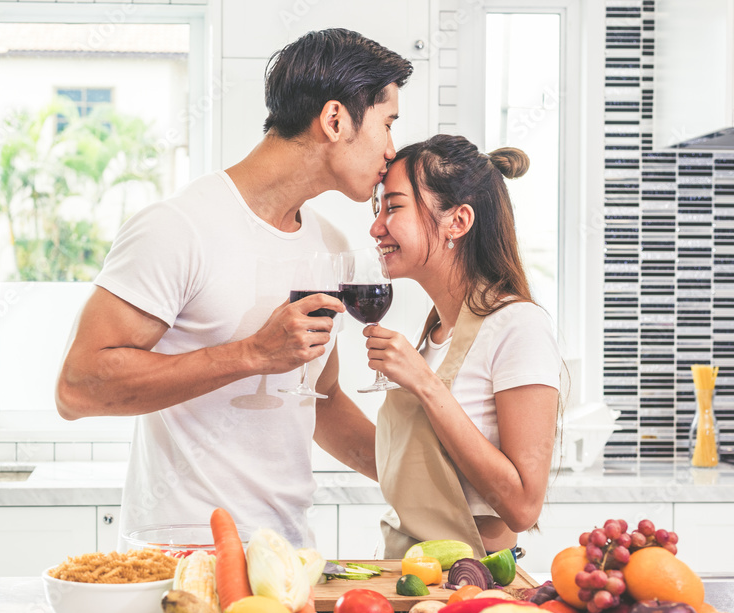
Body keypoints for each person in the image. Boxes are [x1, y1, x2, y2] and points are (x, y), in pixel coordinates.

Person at [55, 29, 412, 547]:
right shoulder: (178, 227)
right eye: (387, 124)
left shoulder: (328, 244)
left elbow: (325, 399)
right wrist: (250, 355)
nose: (392, 150)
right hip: (182, 555)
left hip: (287, 555)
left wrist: (422, 480)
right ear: (335, 120)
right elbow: (77, 388)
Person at [363, 134, 561, 558]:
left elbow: (523, 507)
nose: (376, 227)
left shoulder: (518, 325)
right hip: (411, 577)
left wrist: (424, 384)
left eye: (393, 207)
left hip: (473, 587)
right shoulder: (434, 331)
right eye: (378, 209)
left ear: (458, 221)